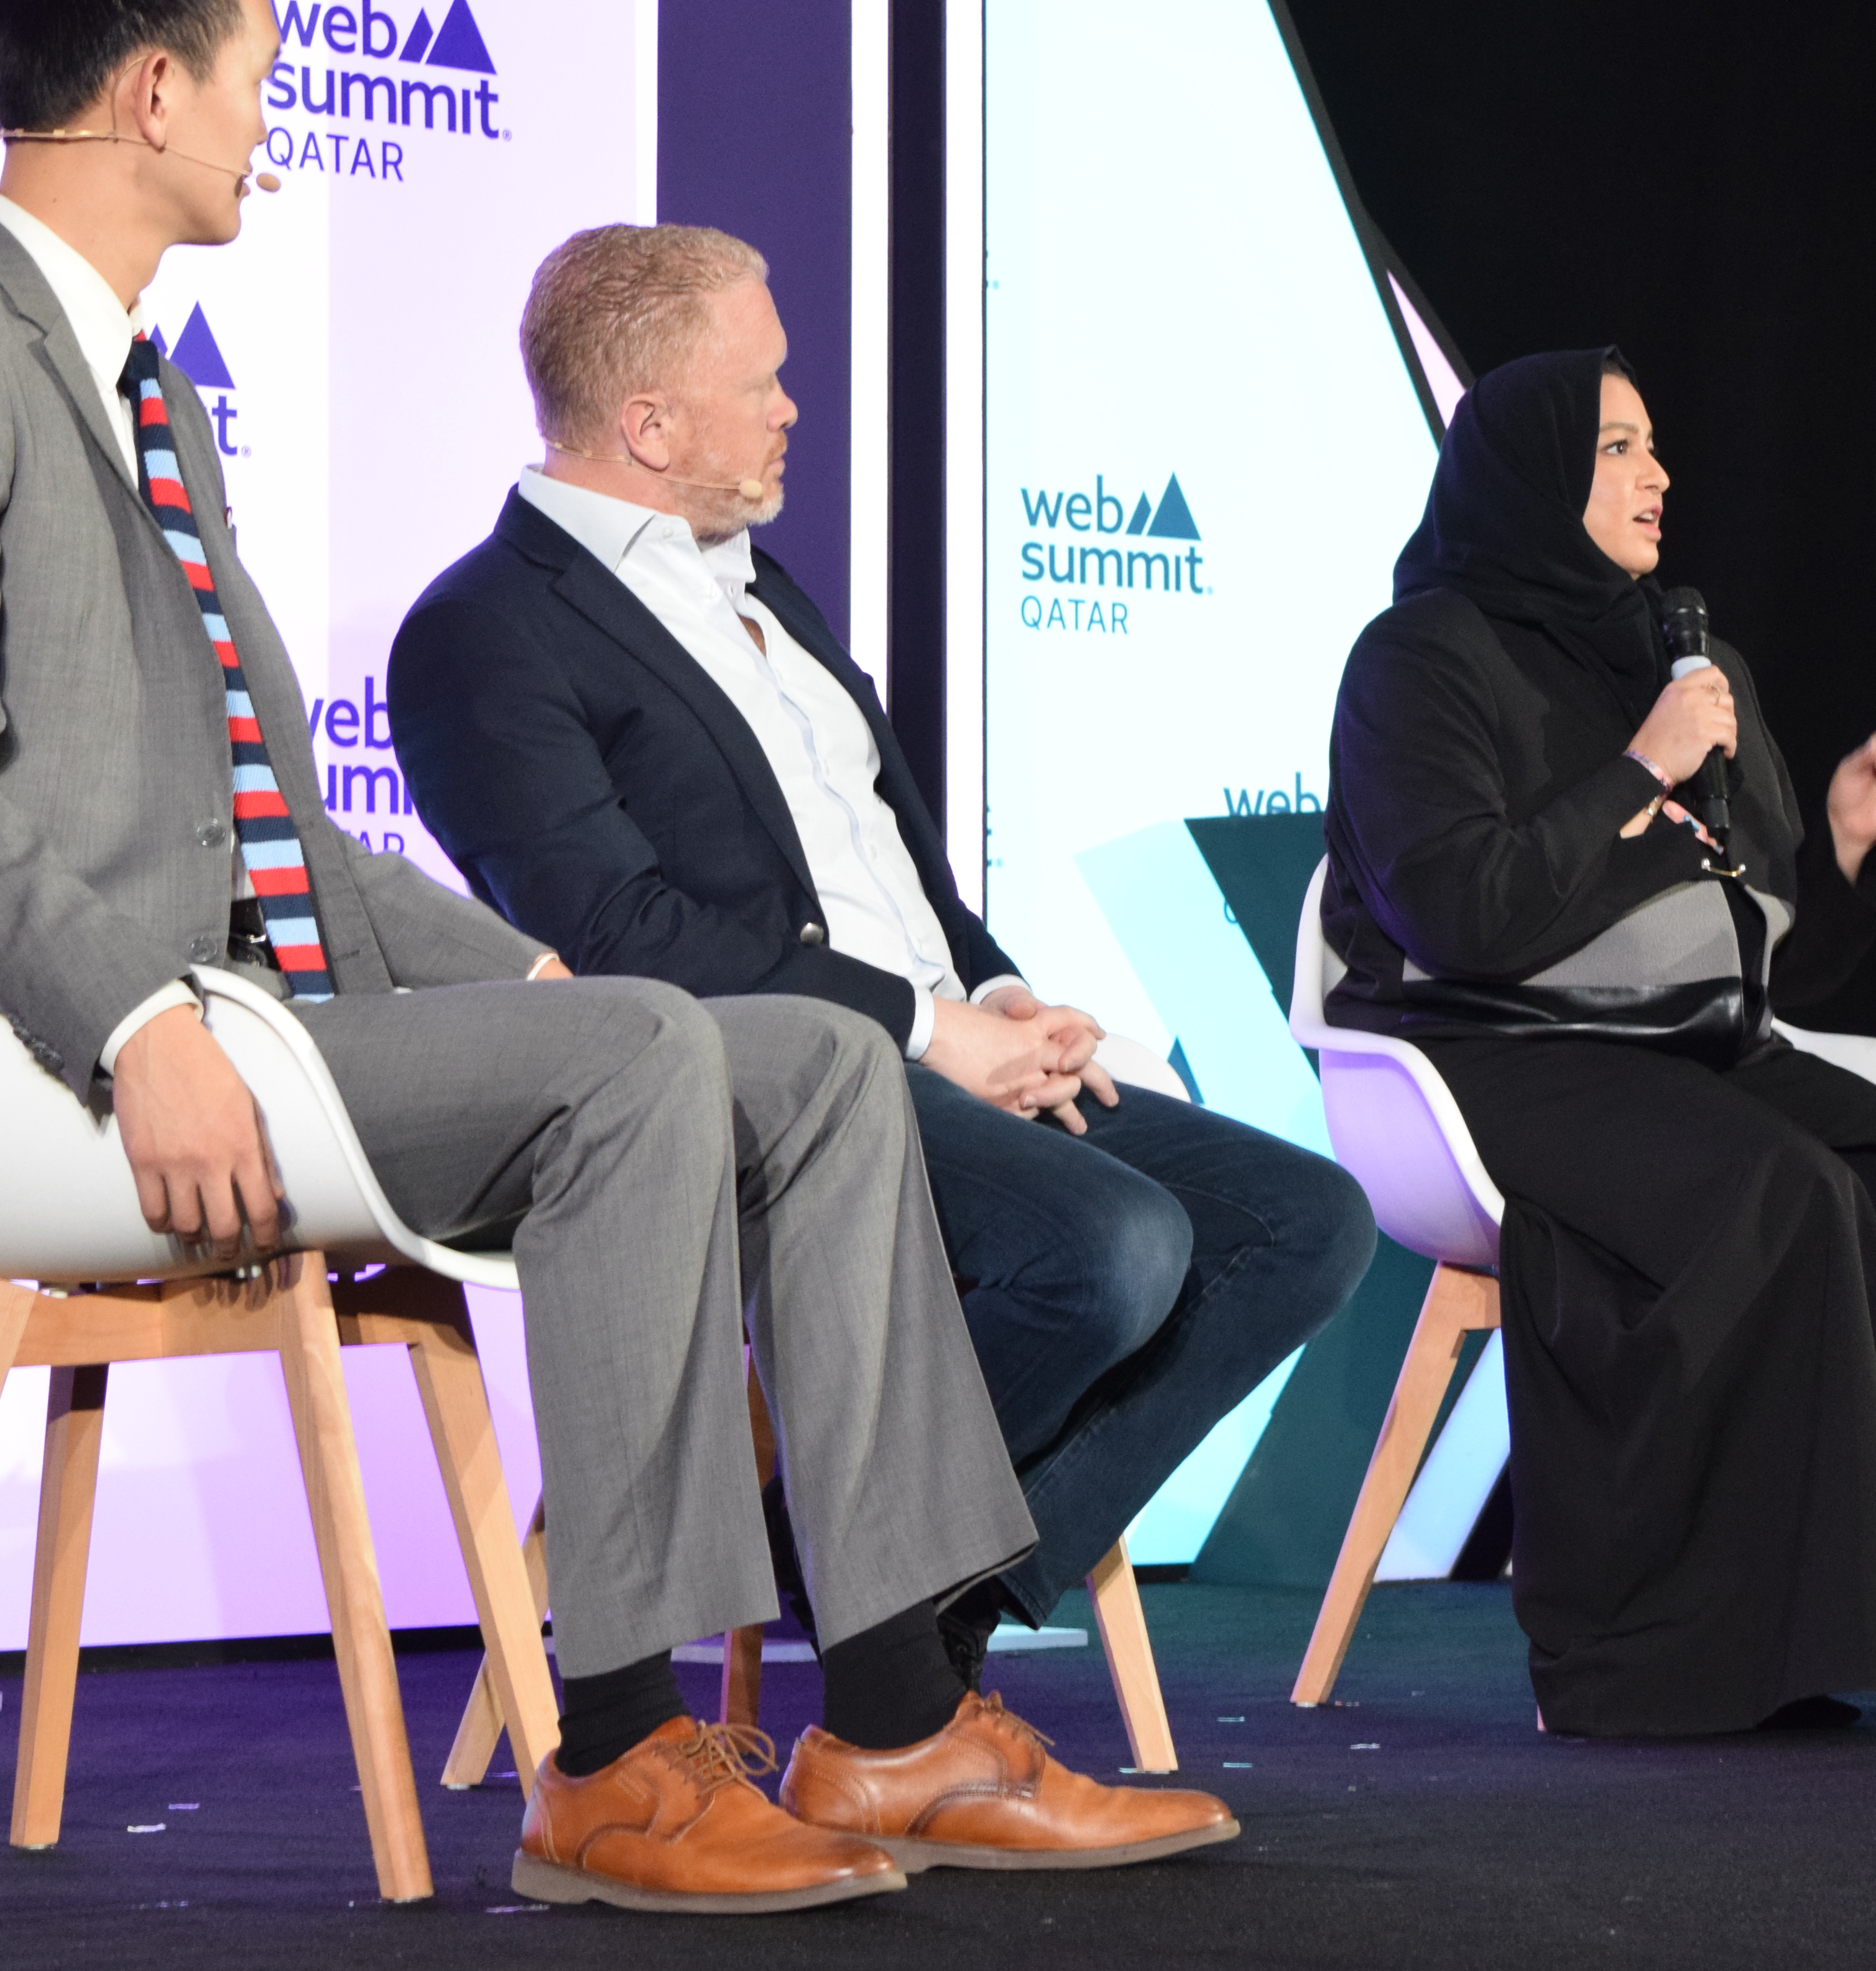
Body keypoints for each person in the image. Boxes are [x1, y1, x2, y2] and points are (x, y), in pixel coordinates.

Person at [0, 0, 1229, 1916]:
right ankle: (620, 1755)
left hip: (288, 1022)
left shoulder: (149, 399)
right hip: (126, 1056)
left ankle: (896, 1726)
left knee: (806, 1072)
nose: (275, 122)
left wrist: (521, 970)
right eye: (259, 71)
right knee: (649, 1054)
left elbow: (273, 822)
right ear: (153, 94)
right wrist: (135, 1025)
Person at [386, 224, 1376, 1680]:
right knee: (1110, 1245)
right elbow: (621, 943)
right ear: (649, 422)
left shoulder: (762, 586)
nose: (795, 407)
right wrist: (925, 1031)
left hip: (927, 1039)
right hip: (757, 1078)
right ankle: (894, 1646)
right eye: (766, 380)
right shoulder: (484, 633)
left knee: (1303, 1224)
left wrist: (992, 995)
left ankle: (899, 1597)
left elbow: (894, 860)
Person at [1316, 346, 1876, 1737]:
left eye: (1656, 446)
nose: (1659, 475)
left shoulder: (1685, 654)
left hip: (1681, 1041)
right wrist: (1637, 766)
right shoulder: (1419, 659)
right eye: (1618, 448)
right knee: (1782, 1197)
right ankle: (1691, 1652)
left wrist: (1835, 839)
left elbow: (1762, 951)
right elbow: (1460, 908)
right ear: (1531, 472)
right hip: (1490, 1048)